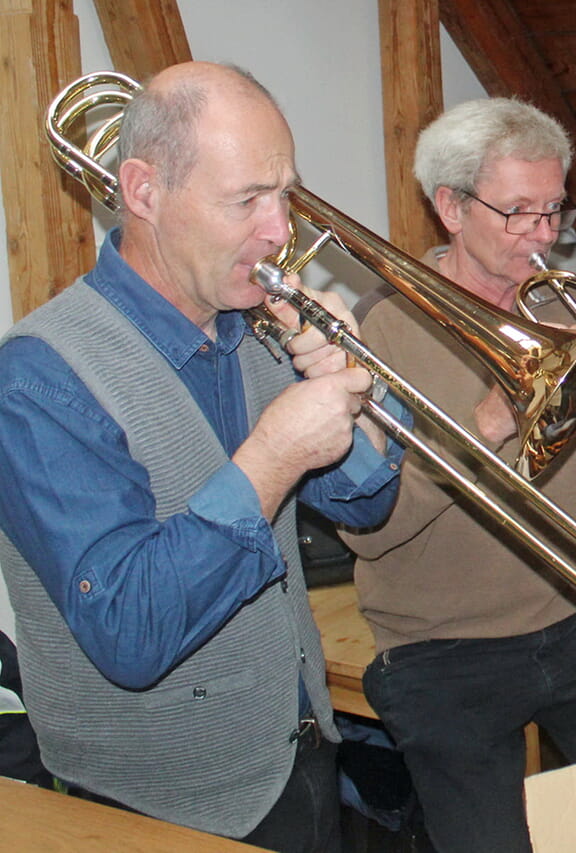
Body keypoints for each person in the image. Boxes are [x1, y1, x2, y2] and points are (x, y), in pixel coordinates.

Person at [0, 62, 403, 852]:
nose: (281, 230)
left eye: (285, 192)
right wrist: (274, 454)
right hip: (154, 808)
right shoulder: (39, 377)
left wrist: (348, 382)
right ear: (144, 191)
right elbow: (128, 629)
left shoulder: (252, 322)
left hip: (300, 751)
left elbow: (366, 503)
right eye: (247, 199)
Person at [340, 97, 576, 853]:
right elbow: (368, 529)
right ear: (451, 207)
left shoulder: (561, 304)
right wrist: (484, 426)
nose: (545, 236)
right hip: (443, 647)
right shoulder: (375, 330)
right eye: (519, 211)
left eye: (555, 210)